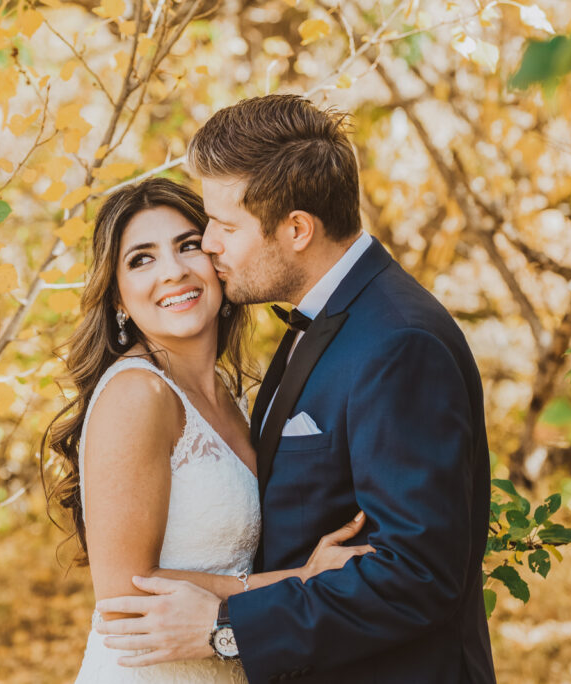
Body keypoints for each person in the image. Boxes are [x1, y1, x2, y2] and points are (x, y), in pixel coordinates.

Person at [95, 95, 497, 683]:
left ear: (297, 229)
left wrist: (228, 628)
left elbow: (418, 574)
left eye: (224, 227)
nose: (209, 244)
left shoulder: (397, 341)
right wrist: (288, 583)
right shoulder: (320, 322)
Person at [44, 177, 374, 683]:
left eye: (188, 246)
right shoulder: (138, 393)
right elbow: (123, 595)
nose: (173, 271)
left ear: (217, 262)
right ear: (117, 299)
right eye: (142, 259)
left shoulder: (228, 392)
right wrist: (300, 580)